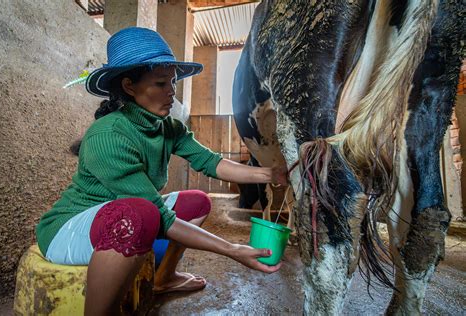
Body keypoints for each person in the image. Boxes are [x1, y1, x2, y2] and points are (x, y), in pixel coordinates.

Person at [36, 27, 288, 315]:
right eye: (160, 84)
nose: (171, 92)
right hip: (68, 230)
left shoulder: (167, 127)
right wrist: (233, 250)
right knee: (142, 213)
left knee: (196, 201)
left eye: (173, 83)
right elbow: (160, 217)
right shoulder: (108, 135)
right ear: (129, 86)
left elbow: (211, 162)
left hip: (121, 214)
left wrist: (270, 174)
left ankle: (164, 277)